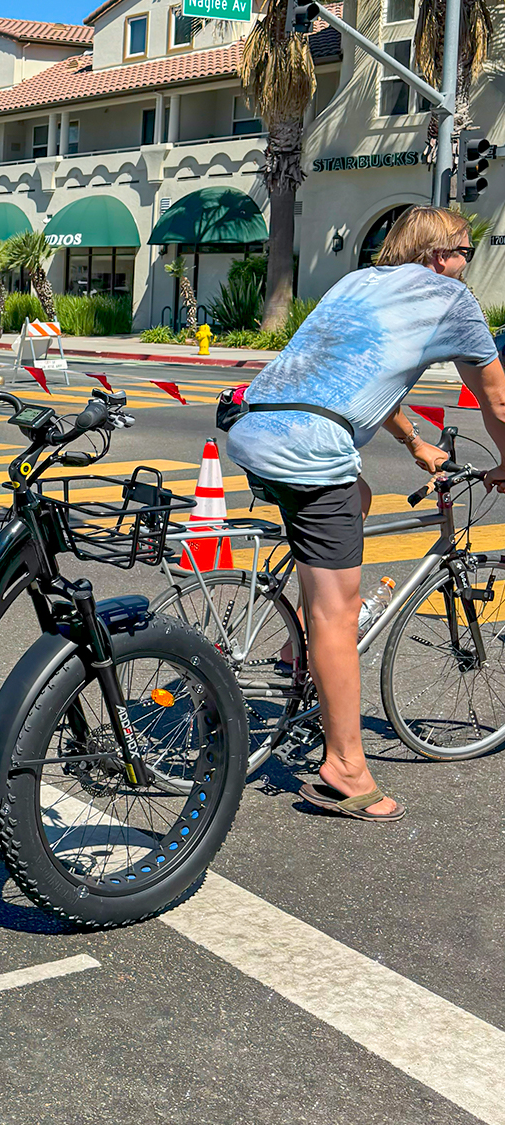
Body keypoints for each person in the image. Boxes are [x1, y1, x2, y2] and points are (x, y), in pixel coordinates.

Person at [226, 205, 505, 823]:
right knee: (337, 610)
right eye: (464, 251)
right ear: (440, 257)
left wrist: (413, 443)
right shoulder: (450, 300)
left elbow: (365, 375)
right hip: (310, 445)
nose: (467, 263)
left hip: (256, 424)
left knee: (359, 498)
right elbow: (498, 399)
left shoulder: (358, 284)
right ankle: (345, 768)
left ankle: (297, 649)